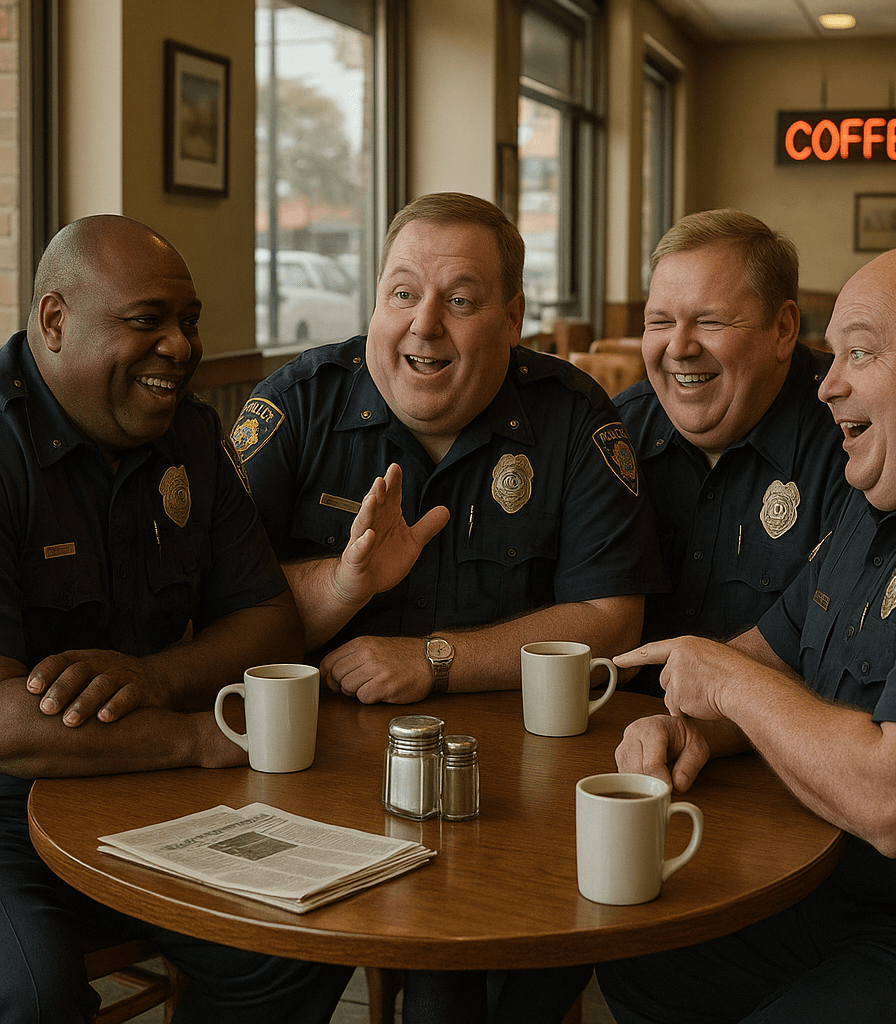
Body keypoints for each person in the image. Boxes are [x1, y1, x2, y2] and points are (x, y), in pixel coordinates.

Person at [599, 242, 896, 1023]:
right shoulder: (894, 481)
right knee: (640, 960)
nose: (827, 387)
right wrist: (682, 722)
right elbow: (775, 650)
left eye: (859, 353)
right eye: (831, 358)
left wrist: (723, 683)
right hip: (836, 888)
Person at [0, 215, 353, 1022]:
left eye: (188, 321)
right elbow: (4, 721)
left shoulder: (190, 434)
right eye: (147, 321)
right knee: (35, 991)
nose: (182, 347)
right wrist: (192, 737)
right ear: (55, 321)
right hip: (9, 810)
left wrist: (154, 676)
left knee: (293, 946)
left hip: (150, 797)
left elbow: (270, 621)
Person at [230, 192, 664, 706]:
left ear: (511, 319)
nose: (425, 324)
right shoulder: (296, 407)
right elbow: (224, 612)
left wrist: (435, 659)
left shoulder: (574, 417)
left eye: (459, 301)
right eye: (404, 294)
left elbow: (611, 624)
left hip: (521, 747)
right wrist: (343, 585)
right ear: (377, 298)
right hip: (316, 744)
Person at [614, 209, 848, 694]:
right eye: (659, 321)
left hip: (777, 751)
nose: (678, 348)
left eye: (710, 321)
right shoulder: (616, 433)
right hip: (617, 738)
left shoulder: (853, 438)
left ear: (783, 329)